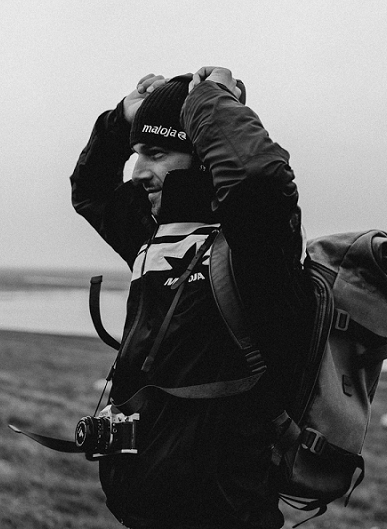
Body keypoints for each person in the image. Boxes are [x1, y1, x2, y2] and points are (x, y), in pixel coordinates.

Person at [70, 67, 310, 529]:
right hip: (144, 512)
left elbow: (256, 175)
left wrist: (210, 99)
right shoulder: (155, 236)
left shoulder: (254, 246)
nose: (138, 172)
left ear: (202, 158)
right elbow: (91, 189)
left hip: (224, 515)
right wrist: (123, 118)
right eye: (137, 154)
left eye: (157, 154)